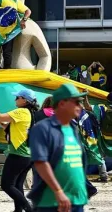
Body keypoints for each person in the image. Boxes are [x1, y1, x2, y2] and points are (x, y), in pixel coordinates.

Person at [28, 83, 88, 212]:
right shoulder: (42, 129)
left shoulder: (73, 128)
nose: (81, 106)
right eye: (77, 102)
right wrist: (58, 191)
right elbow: (40, 162)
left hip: (77, 200)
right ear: (62, 104)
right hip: (51, 202)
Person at [0, 88, 38, 212]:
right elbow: (4, 125)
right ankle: (18, 210)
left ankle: (29, 209)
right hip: (27, 155)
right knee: (17, 184)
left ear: (24, 100)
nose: (15, 99)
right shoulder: (28, 113)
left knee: (6, 185)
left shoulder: (21, 112)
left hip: (19, 154)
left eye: (17, 97)